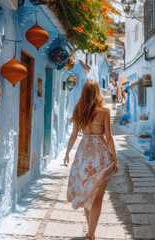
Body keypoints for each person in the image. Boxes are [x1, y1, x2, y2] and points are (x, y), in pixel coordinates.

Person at [64, 80, 119, 240]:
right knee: (98, 197)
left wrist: (67, 152)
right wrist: (115, 158)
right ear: (97, 92)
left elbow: (74, 135)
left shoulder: (78, 109)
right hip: (100, 154)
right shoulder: (105, 111)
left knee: (88, 193)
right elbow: (108, 136)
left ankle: (91, 233)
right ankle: (91, 234)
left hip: (84, 154)